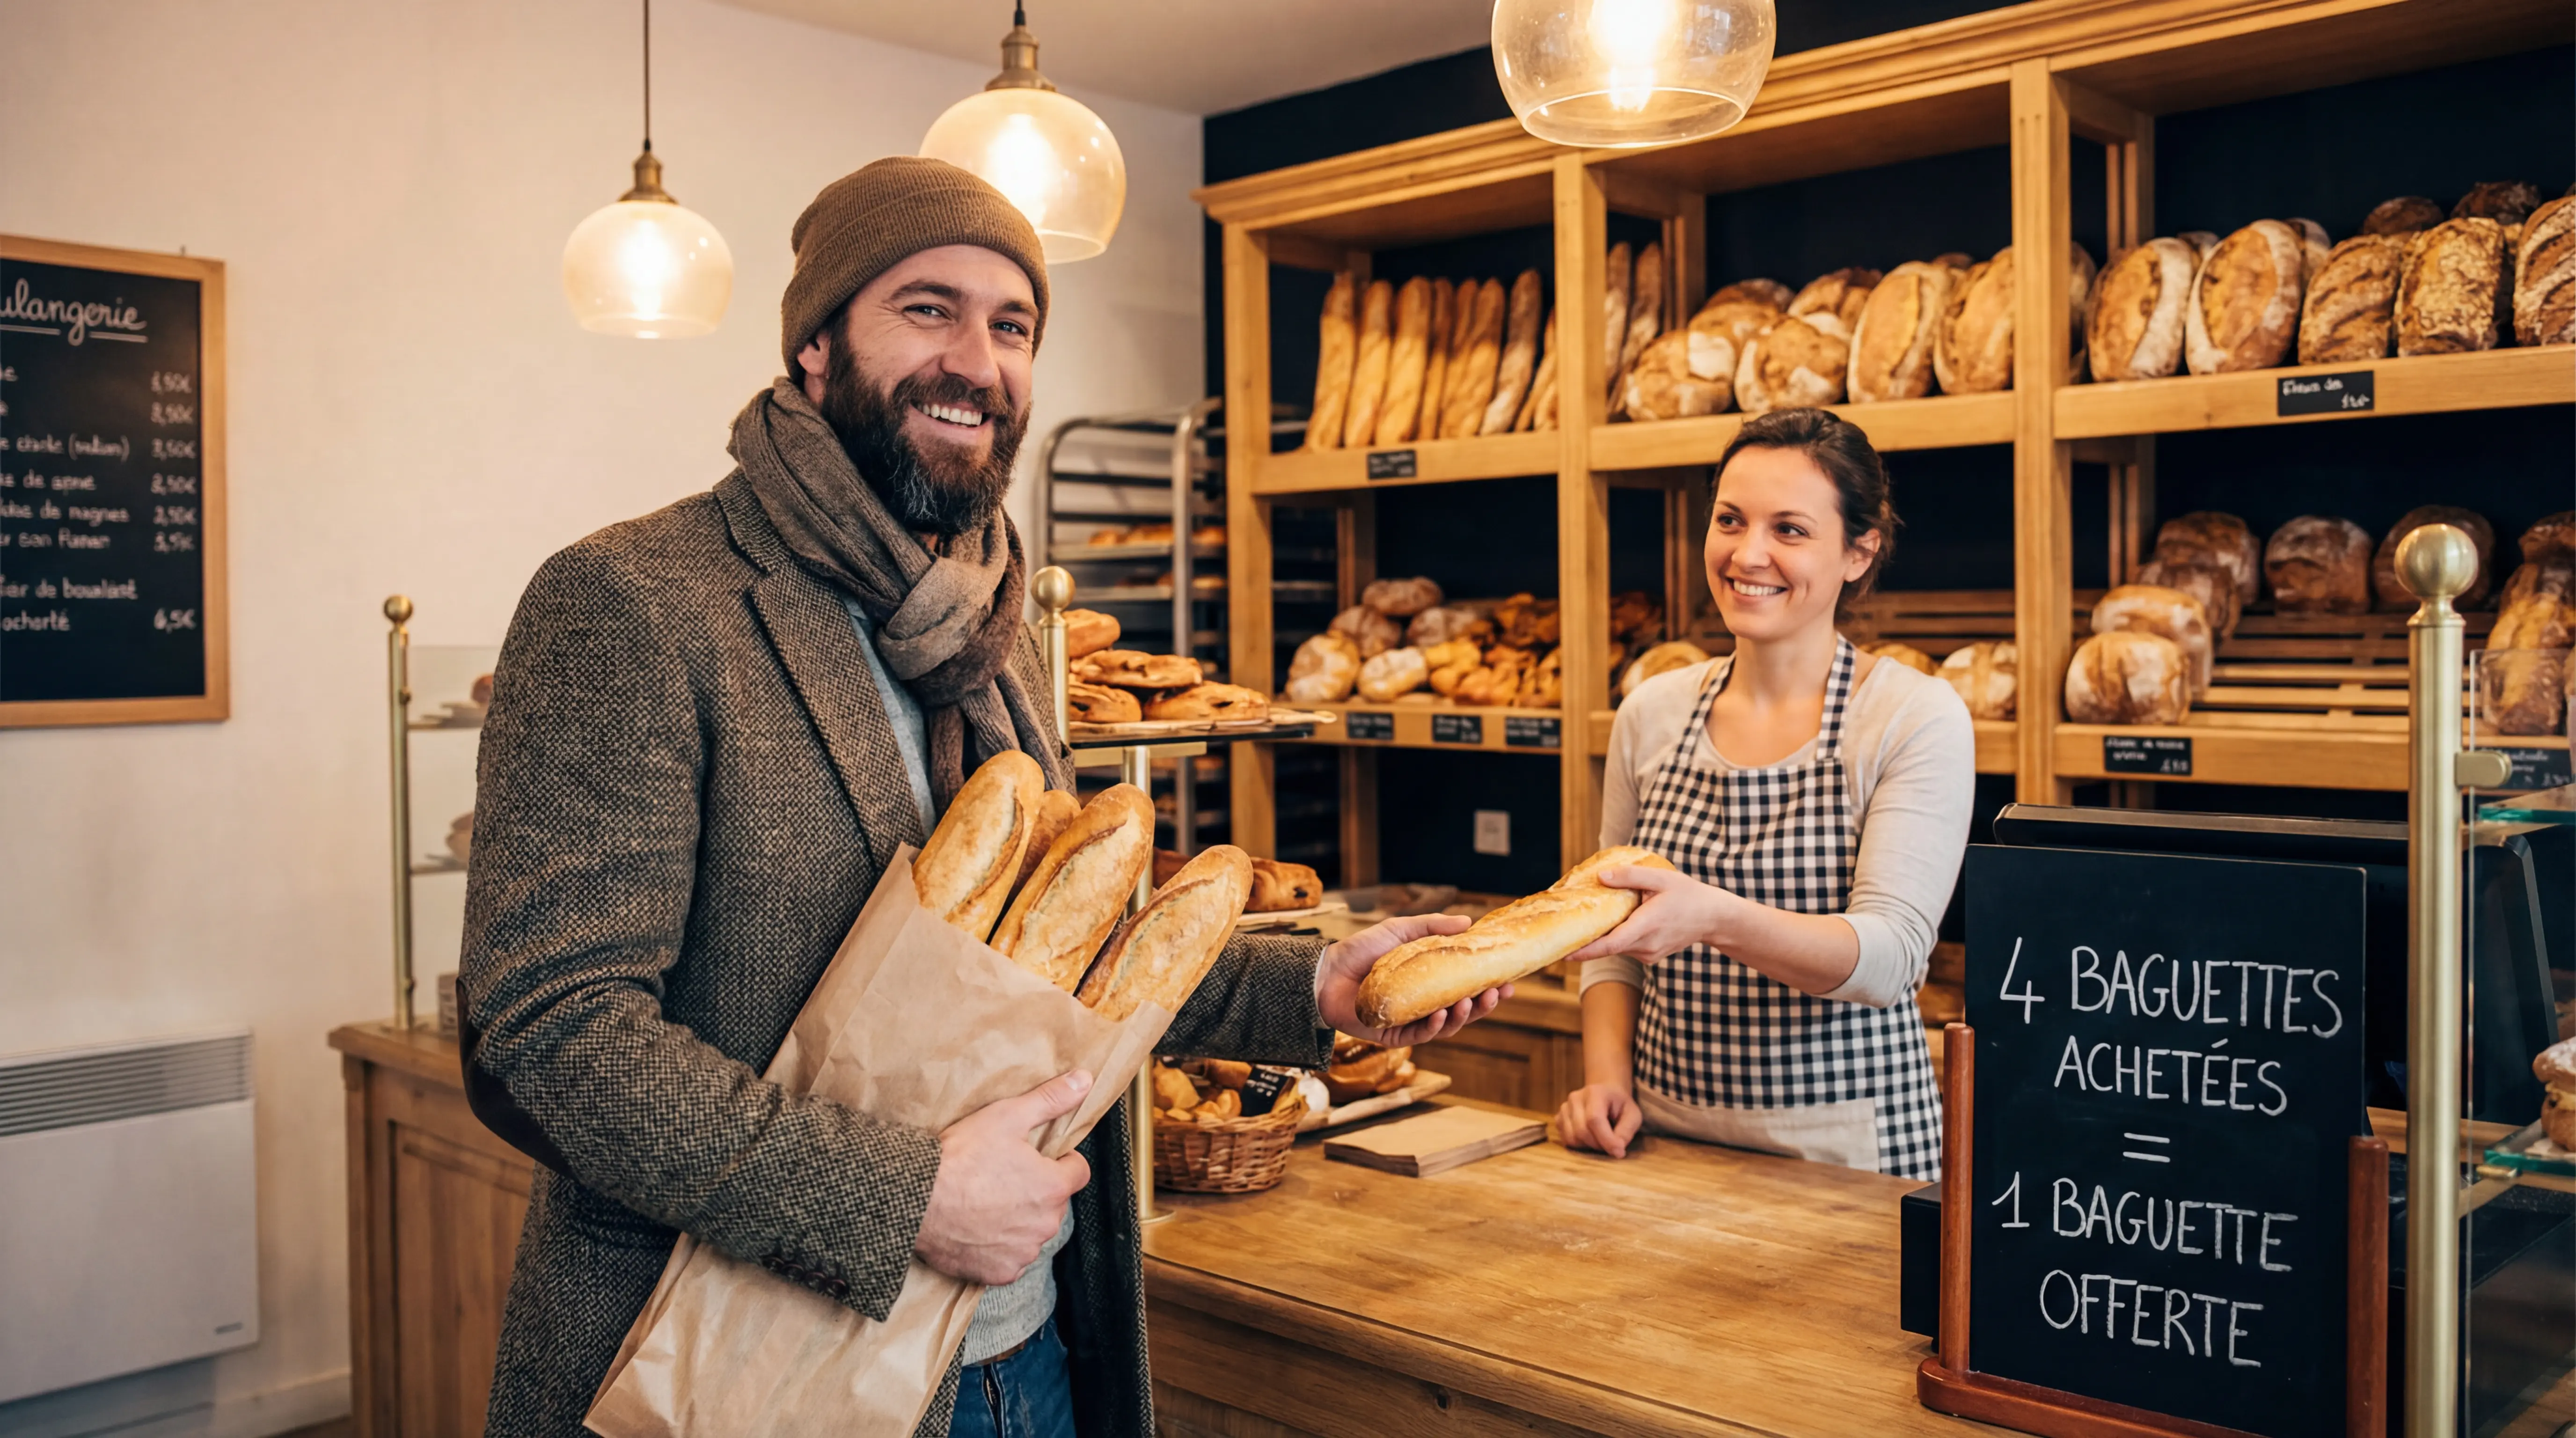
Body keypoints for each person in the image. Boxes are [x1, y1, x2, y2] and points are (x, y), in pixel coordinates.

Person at [457, 157, 1506, 1438]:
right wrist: (902, 1199)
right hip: (729, 1366)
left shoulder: (992, 628)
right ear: (814, 349)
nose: (978, 358)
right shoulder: (638, 601)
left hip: (1018, 1358)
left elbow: (1056, 959)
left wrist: (1322, 984)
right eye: (926, 308)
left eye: (1012, 327)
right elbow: (550, 1038)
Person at [1553, 407, 1971, 1181]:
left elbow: (1890, 962)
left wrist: (1710, 916)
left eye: (1790, 530)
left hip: (1852, 1153)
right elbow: (1606, 943)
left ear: (1858, 552)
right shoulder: (1651, 712)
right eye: (1730, 520)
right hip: (1662, 1138)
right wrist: (1607, 1080)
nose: (1749, 554)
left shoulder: (1911, 715)